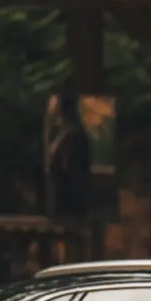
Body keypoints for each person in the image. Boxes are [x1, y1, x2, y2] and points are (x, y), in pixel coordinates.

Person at [42, 89, 91, 218]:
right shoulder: (67, 134)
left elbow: (68, 173)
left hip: (67, 213)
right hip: (64, 211)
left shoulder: (72, 137)